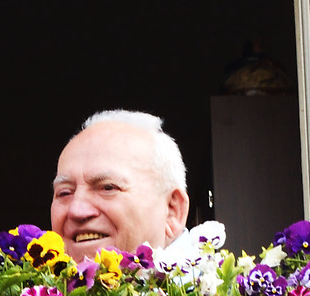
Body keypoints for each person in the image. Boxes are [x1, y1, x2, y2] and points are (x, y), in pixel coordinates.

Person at [49, 109, 222, 263]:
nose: (77, 210)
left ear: (172, 210)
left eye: (108, 188)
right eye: (64, 193)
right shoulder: (37, 294)